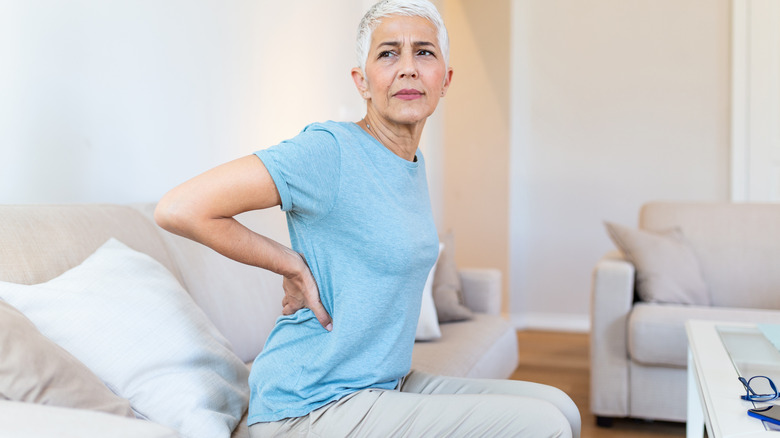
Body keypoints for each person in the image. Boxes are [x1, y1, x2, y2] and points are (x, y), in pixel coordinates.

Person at [155, 0, 581, 436]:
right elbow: (179, 208)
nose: (409, 68)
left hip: (383, 385)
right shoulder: (329, 151)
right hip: (310, 404)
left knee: (560, 407)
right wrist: (289, 263)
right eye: (388, 53)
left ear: (445, 80)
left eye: (424, 52)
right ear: (362, 81)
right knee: (542, 425)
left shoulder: (412, 161)